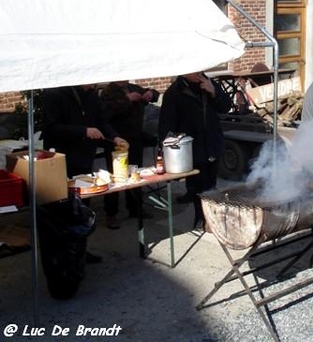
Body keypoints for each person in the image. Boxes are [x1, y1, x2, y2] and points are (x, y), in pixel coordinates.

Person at [42, 84, 129, 263]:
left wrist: (115, 137)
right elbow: (51, 128)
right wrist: (84, 131)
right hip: (61, 159)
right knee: (64, 209)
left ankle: (80, 250)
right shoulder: (55, 93)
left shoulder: (92, 95)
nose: (94, 85)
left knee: (82, 208)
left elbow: (101, 121)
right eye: (91, 82)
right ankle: (64, 255)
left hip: (84, 158)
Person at [158, 72, 231, 229]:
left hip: (212, 142)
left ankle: (212, 217)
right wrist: (169, 147)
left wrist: (214, 92)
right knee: (198, 186)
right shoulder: (174, 92)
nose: (198, 73)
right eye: (194, 70)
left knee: (211, 184)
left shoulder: (208, 83)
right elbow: (166, 124)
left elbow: (226, 107)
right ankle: (200, 218)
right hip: (191, 146)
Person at [100, 81, 160, 229]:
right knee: (115, 177)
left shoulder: (134, 87)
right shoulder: (108, 91)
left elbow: (153, 94)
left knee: (134, 174)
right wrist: (127, 100)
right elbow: (105, 113)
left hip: (135, 138)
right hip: (116, 140)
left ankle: (135, 208)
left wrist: (151, 94)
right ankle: (111, 213)